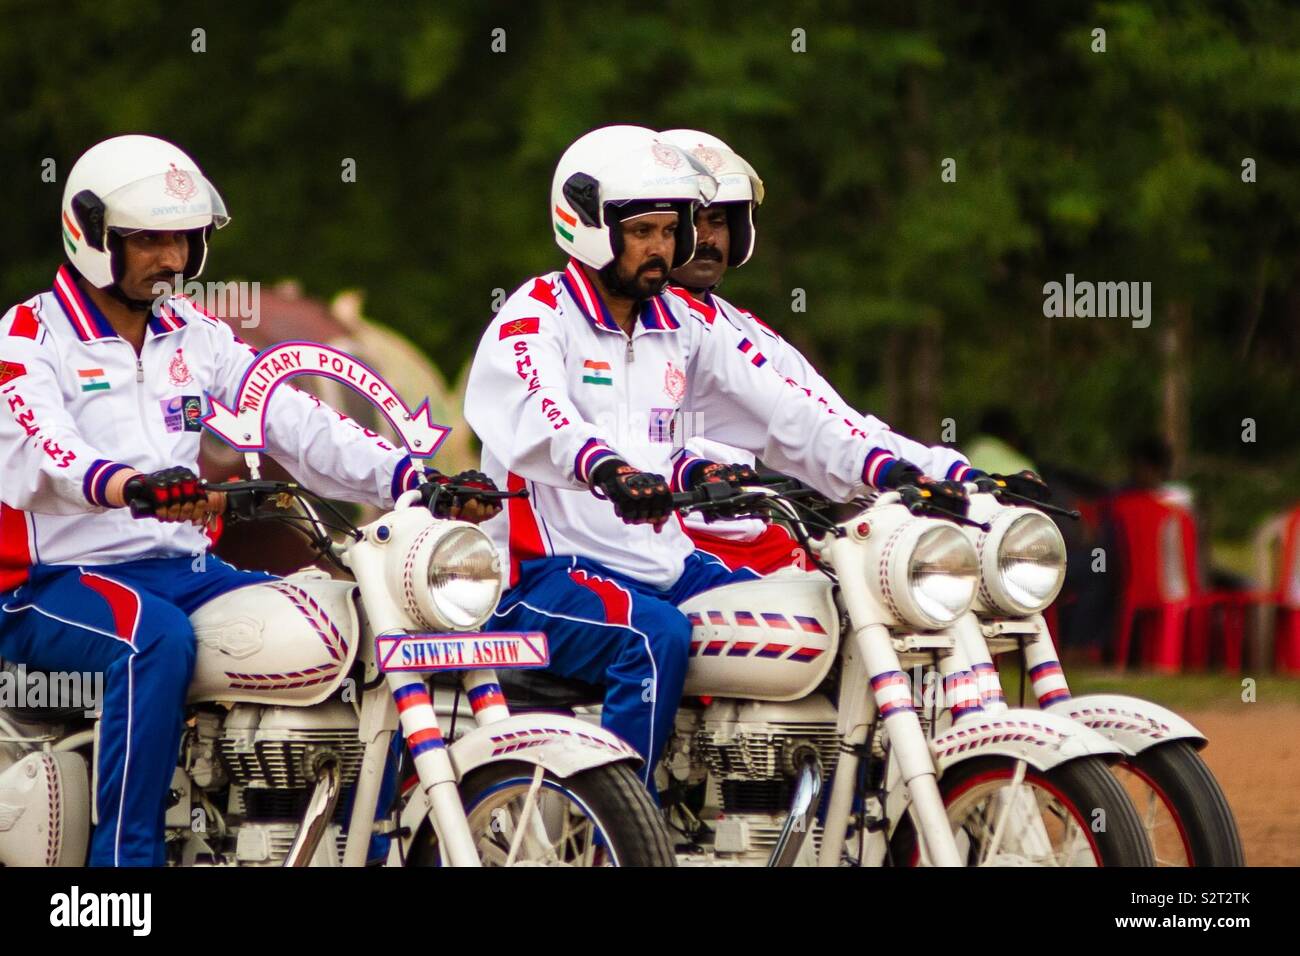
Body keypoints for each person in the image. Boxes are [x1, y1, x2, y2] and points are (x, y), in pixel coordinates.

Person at [0, 134, 495, 866]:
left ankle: (356, 839)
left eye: (184, 241)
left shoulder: (196, 335)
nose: (171, 260)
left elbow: (294, 420)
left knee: (348, 623)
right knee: (150, 640)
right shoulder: (29, 335)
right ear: (92, 233)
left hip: (186, 575)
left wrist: (411, 475)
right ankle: (122, 873)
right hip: (53, 585)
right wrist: (128, 484)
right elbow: (42, 449)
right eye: (149, 240)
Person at [463, 125, 968, 797]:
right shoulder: (537, 313)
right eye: (641, 229)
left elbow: (795, 413)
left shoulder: (682, 324)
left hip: (668, 567)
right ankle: (627, 825)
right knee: (653, 638)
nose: (662, 248)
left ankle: (801, 805)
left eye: (669, 231)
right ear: (585, 222)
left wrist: (905, 470)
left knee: (822, 615)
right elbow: (541, 414)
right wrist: (608, 468)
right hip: (542, 580)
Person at [656, 129, 1019, 570]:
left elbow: (835, 421)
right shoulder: (647, 319)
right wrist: (881, 468)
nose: (708, 238)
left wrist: (953, 473)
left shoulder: (744, 328)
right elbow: (792, 423)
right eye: (692, 222)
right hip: (668, 546)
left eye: (718, 222)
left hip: (752, 539)